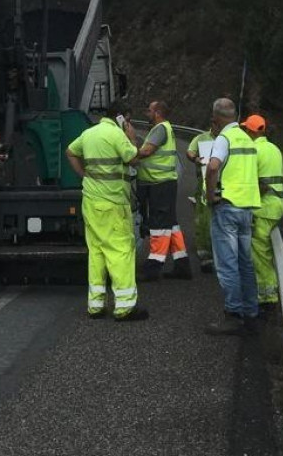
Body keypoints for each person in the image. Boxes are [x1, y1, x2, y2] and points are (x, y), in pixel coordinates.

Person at [65, 101, 148, 321]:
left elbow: (70, 152)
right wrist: (131, 137)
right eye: (128, 120)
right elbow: (133, 158)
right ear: (121, 118)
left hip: (91, 201)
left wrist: (83, 175)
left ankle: (96, 305)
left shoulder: (89, 133)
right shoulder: (116, 134)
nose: (128, 124)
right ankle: (124, 308)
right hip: (112, 203)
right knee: (120, 251)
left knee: (97, 251)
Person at [204, 98, 261, 335]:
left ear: (216, 119)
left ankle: (232, 314)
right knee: (245, 264)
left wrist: (210, 195)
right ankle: (250, 312)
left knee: (227, 264)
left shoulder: (223, 139)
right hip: (247, 208)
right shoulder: (247, 139)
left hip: (227, 207)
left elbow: (213, 166)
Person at [134, 101, 192, 281]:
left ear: (157, 112)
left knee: (159, 224)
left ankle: (154, 266)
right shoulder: (161, 128)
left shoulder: (160, 129)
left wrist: (129, 148)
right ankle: (182, 264)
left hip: (160, 183)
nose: (146, 113)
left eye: (149, 110)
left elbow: (146, 152)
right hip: (162, 183)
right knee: (171, 223)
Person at [242, 113, 283, 313]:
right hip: (277, 205)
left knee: (259, 255)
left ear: (250, 130)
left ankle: (267, 298)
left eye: (245, 129)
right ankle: (268, 296)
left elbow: (259, 185)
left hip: (263, 208)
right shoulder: (274, 148)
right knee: (264, 253)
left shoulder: (254, 150)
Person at [185, 114, 224, 273]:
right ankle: (205, 255)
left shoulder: (227, 138)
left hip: (225, 182)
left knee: (221, 218)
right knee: (203, 219)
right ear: (212, 124)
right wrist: (195, 159)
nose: (218, 127)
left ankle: (220, 253)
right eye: (216, 124)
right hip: (204, 182)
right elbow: (189, 152)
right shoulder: (201, 138)